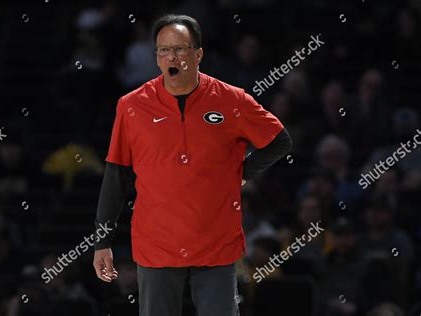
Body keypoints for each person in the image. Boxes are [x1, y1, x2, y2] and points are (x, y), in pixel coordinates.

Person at [92, 14, 292, 316]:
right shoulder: (131, 106)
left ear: (198, 54)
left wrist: (242, 172)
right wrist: (102, 240)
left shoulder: (232, 100)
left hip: (216, 241)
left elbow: (279, 141)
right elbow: (116, 174)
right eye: (163, 50)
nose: (171, 56)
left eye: (180, 49)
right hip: (156, 243)